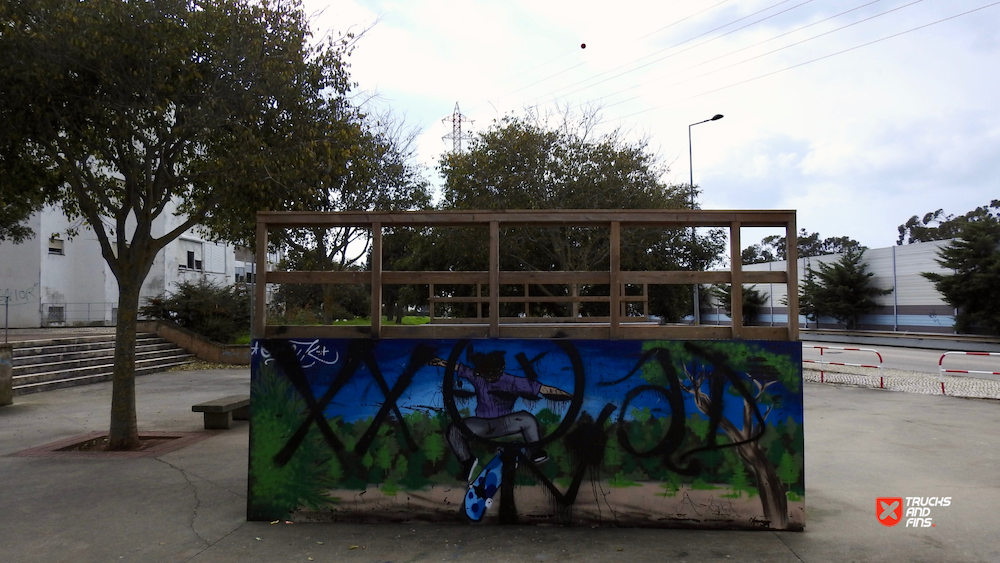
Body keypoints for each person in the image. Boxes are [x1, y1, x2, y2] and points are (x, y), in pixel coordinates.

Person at [430, 350, 571, 482]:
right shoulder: (479, 377)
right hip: (482, 424)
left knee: (527, 418)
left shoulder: (512, 381)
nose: (490, 377)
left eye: (493, 374)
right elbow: (458, 368)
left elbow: (544, 390)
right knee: (455, 429)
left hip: (504, 422)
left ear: (500, 371)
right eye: (488, 374)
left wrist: (572, 397)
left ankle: (535, 450)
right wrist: (439, 362)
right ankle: (467, 461)